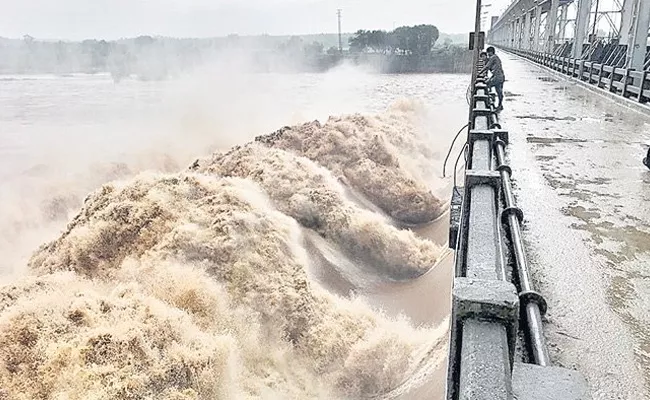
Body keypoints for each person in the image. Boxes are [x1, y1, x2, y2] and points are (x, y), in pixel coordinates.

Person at [479, 46, 505, 112]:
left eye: (488, 53)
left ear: (491, 52)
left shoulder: (493, 57)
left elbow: (487, 66)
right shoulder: (495, 57)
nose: (488, 55)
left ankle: (488, 102)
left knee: (487, 85)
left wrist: (480, 73)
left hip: (497, 77)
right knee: (499, 91)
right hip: (500, 76)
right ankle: (500, 105)